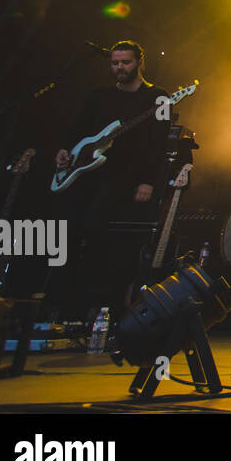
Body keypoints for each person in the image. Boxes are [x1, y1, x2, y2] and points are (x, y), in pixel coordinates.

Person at [52, 41, 170, 315]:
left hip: (125, 174)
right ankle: (61, 298)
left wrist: (148, 181)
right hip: (85, 172)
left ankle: (96, 299)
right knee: (64, 227)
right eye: (115, 63)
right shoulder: (98, 96)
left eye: (126, 62)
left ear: (140, 62)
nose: (119, 68)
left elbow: (158, 143)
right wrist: (64, 150)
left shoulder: (158, 97)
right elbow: (78, 128)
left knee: (95, 226)